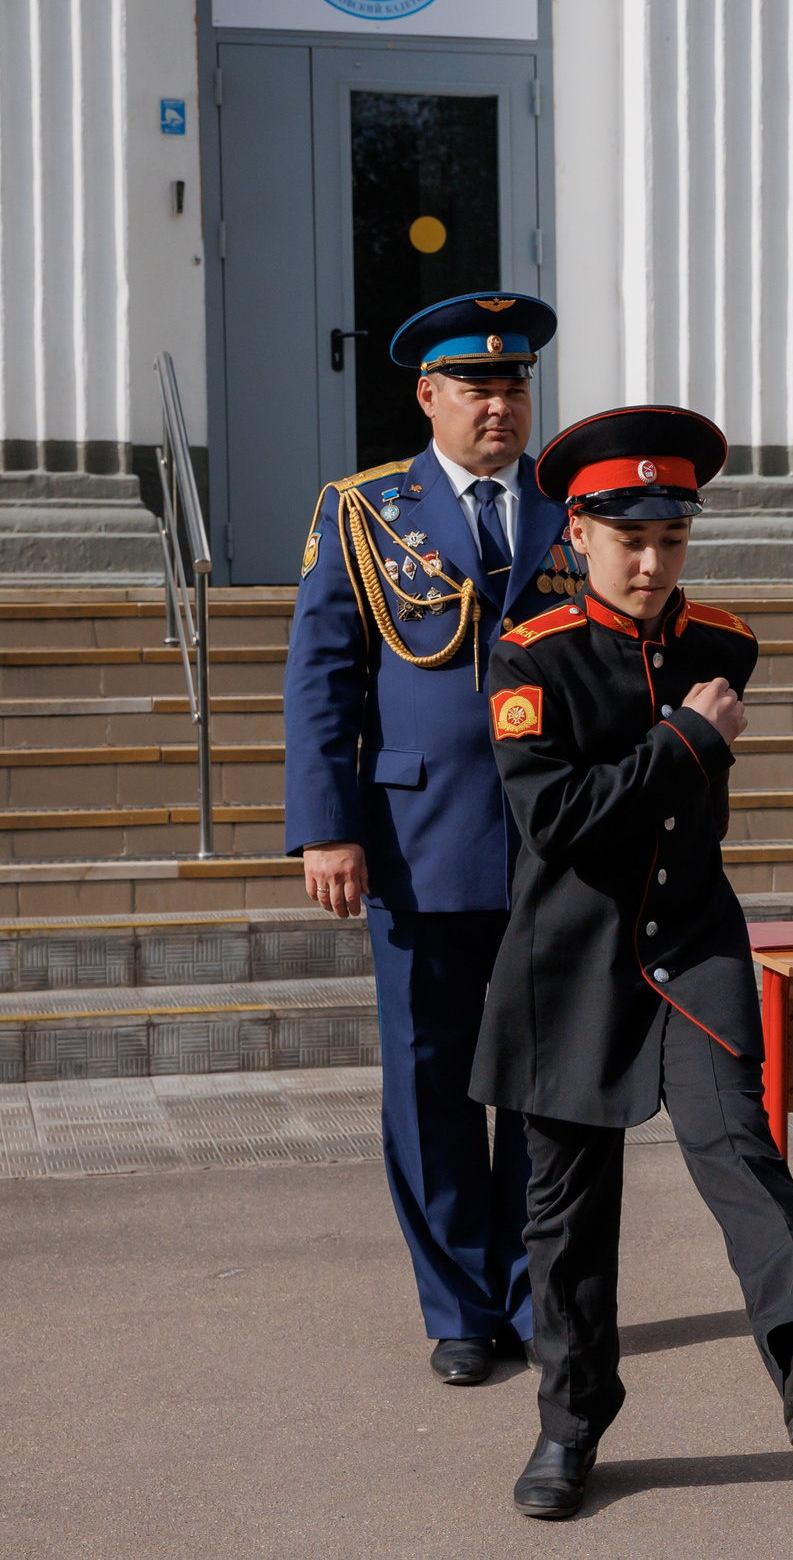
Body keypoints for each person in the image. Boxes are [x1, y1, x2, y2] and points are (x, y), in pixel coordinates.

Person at [480, 405, 793, 1520]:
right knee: (566, 1218)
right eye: (631, 538)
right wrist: (684, 744)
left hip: (693, 943)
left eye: (673, 537)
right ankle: (570, 1426)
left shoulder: (723, 642)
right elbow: (560, 822)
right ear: (576, 533)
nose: (656, 562)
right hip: (568, 963)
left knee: (739, 1144)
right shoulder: (529, 658)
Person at [283, 291, 588, 1387]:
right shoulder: (365, 510)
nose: (499, 403)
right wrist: (327, 829)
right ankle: (461, 1304)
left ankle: (534, 1292)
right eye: (476, 385)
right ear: (429, 397)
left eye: (513, 384)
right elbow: (321, 680)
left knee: (546, 1086)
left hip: (558, 843)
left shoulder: (573, 506)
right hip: (419, 838)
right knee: (434, 1082)